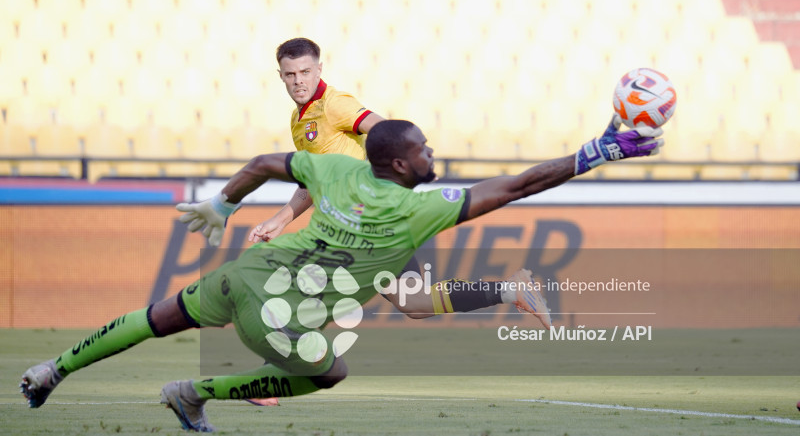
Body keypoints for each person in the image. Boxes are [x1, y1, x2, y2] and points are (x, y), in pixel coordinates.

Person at [21, 117, 663, 432]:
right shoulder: (418, 209)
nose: (432, 152)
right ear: (403, 167)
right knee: (329, 372)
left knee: (157, 317)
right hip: (277, 315)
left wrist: (224, 204)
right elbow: (521, 185)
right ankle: (194, 393)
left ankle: (52, 369)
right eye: (424, 149)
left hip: (248, 272)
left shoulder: (335, 170)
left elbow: (264, 161)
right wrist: (599, 152)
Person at [253, 38, 536, 321]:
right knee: (415, 303)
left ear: (319, 70)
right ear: (281, 76)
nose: (298, 81)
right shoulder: (299, 119)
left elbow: (385, 132)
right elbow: (311, 182)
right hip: (356, 224)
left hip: (363, 221)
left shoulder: (334, 105)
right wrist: (280, 220)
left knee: (296, 289)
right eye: (290, 74)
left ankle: (288, 356)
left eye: (305, 72)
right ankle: (509, 290)